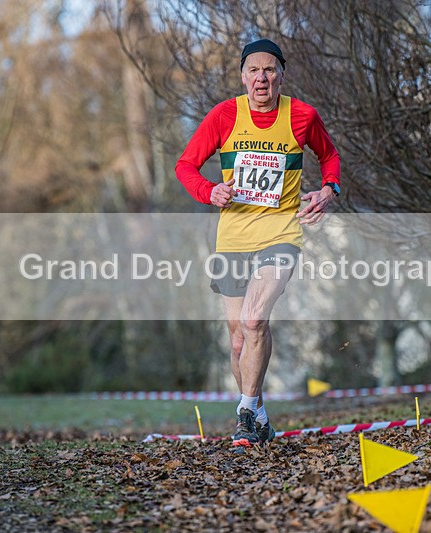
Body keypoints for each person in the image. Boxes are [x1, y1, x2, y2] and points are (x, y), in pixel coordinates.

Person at [175, 38, 341, 447]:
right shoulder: (225, 115)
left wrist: (328, 190)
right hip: (232, 237)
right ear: (243, 76)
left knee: (254, 320)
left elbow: (330, 157)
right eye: (254, 70)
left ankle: (245, 415)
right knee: (237, 339)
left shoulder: (302, 116)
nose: (261, 78)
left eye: (269, 70)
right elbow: (185, 166)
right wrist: (209, 191)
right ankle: (259, 415)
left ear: (282, 75)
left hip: (281, 233)